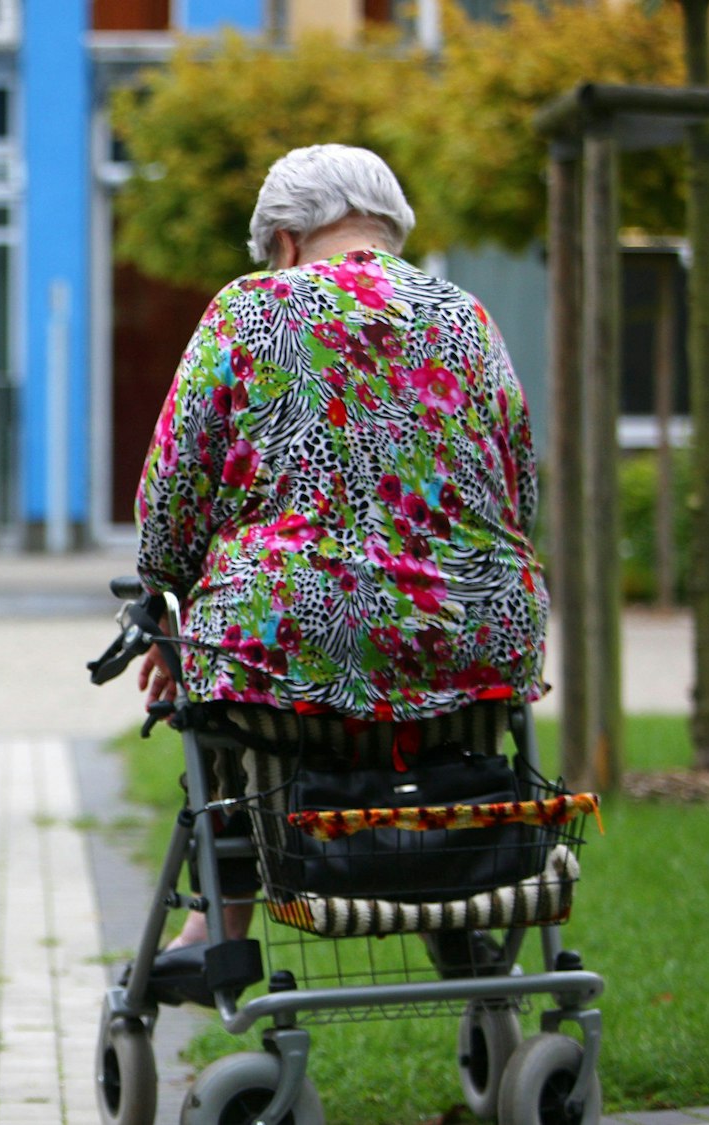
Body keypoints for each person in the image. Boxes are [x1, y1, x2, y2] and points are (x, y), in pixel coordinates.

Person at [133, 143, 548, 985]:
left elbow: (174, 487)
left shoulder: (251, 311)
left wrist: (162, 597)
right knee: (426, 705)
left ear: (285, 240)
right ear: (388, 226)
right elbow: (520, 482)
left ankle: (220, 923)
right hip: (471, 642)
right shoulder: (468, 317)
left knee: (231, 668)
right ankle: (462, 909)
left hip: (292, 644)